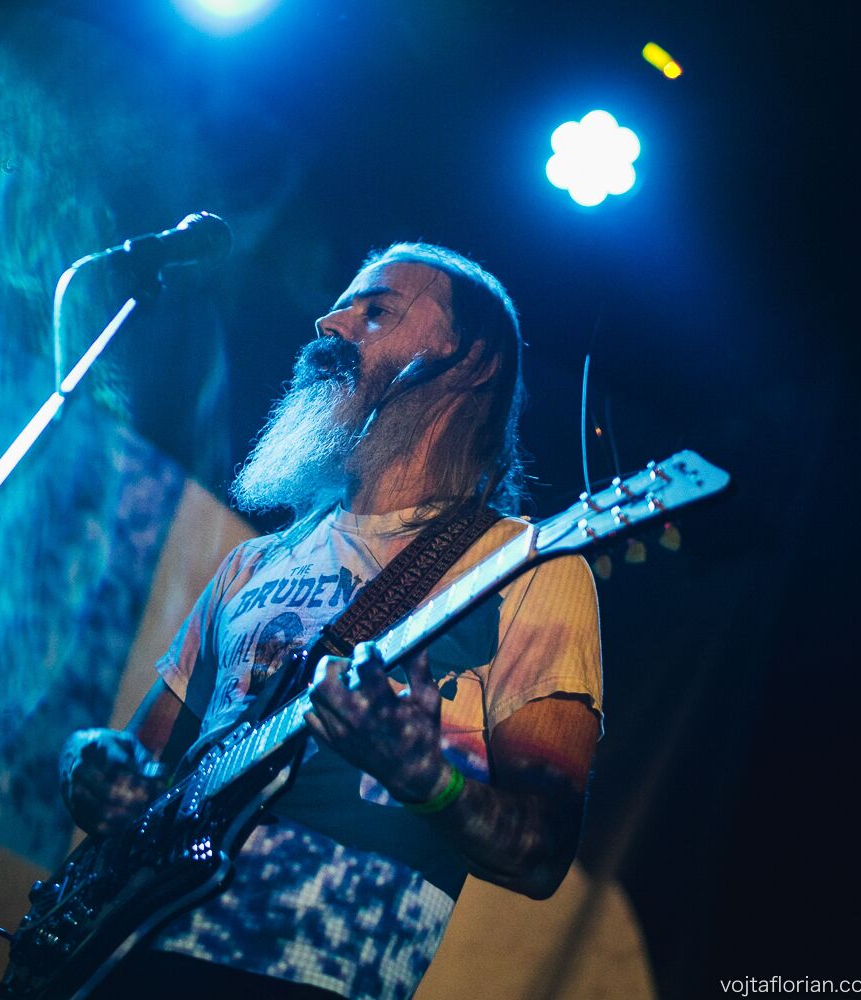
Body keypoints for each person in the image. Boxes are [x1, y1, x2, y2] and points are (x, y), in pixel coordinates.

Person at [58, 243, 603, 1000]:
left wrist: (425, 778)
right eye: (344, 304)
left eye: (376, 310)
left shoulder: (527, 566)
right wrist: (88, 763)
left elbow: (540, 853)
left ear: (471, 363)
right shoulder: (252, 564)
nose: (330, 322)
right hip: (123, 954)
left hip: (313, 973)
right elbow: (142, 759)